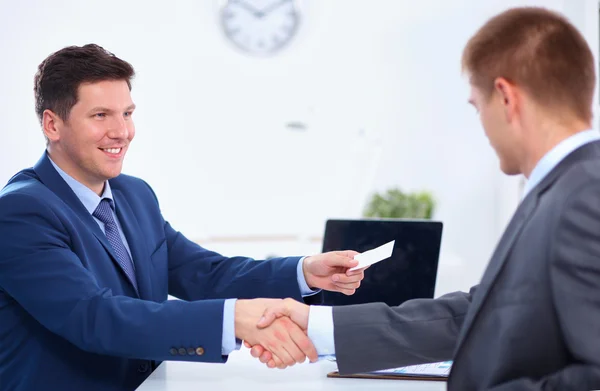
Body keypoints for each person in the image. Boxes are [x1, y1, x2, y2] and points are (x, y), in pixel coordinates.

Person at [248, 7, 600, 390]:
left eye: (476, 106)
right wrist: (318, 325)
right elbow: (478, 314)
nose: (481, 125)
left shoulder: (583, 198)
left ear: (505, 98)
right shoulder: (566, 190)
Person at [0, 44, 366, 391]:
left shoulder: (134, 194)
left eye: (127, 113)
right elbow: (94, 317)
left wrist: (303, 271)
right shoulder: (20, 212)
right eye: (100, 116)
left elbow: (205, 273)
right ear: (52, 125)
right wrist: (233, 320)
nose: (122, 132)